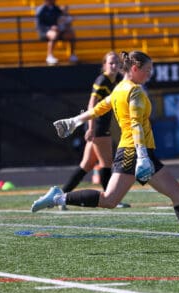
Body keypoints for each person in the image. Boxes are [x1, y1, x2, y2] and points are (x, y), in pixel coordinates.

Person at [31, 50, 179, 251]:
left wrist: (75, 121)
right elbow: (135, 124)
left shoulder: (119, 89)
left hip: (134, 151)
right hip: (135, 152)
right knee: (113, 199)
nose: (150, 74)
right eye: (148, 70)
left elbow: (100, 107)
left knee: (169, 194)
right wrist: (142, 156)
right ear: (135, 68)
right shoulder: (134, 91)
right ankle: (57, 197)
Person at [60, 51, 130, 209]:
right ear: (104, 65)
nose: (113, 66)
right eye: (110, 63)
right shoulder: (102, 80)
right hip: (97, 126)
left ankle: (60, 196)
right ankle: (111, 198)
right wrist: (90, 128)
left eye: (116, 63)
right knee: (106, 164)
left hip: (100, 126)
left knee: (86, 165)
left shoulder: (118, 79)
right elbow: (91, 104)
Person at [36, 0, 78, 65]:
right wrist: (50, 28)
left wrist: (67, 18)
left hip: (58, 30)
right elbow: (39, 25)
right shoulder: (41, 10)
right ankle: (49, 56)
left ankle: (72, 55)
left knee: (71, 34)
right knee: (54, 35)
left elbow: (63, 17)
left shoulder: (56, 8)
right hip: (45, 31)